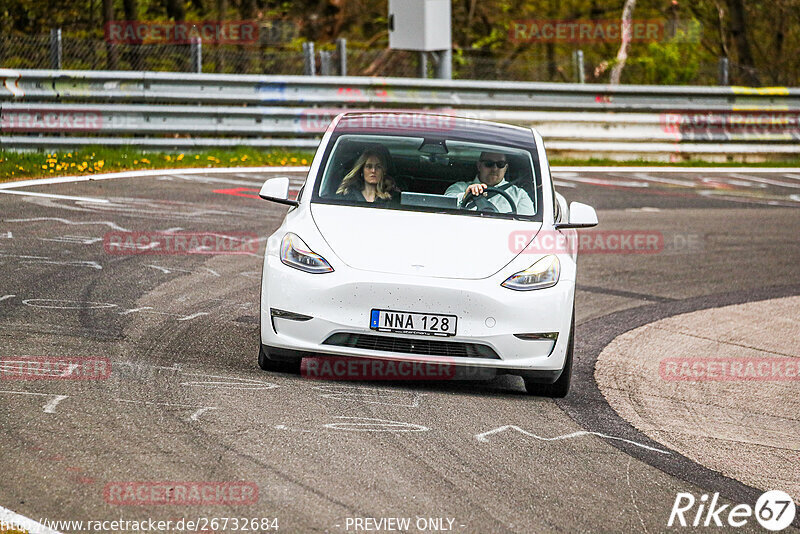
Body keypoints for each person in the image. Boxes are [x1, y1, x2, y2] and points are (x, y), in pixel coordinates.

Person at [444, 151, 534, 215]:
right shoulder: (459, 188)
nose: (494, 168)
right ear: (479, 166)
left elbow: (528, 224)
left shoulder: (519, 194)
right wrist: (466, 196)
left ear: (505, 168)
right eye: (489, 163)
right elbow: (444, 206)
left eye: (500, 164)